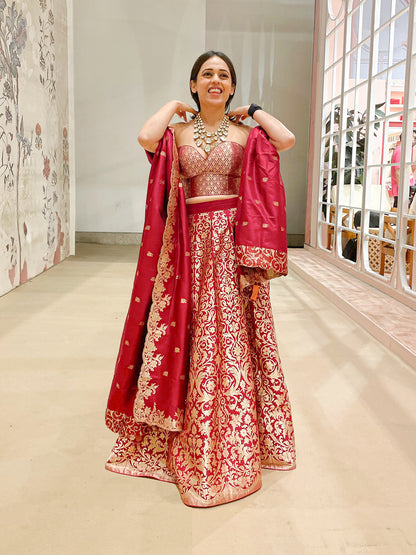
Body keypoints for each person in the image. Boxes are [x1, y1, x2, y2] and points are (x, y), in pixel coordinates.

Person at [105, 51, 296, 507]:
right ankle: (187, 433)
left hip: (234, 247)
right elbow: (144, 136)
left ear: (231, 87)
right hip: (188, 250)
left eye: (223, 76)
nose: (215, 80)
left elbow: (285, 140)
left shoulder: (248, 135)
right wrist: (173, 105)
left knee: (229, 339)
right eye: (206, 74)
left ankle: (234, 440)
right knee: (192, 338)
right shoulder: (177, 134)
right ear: (195, 85)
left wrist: (252, 110)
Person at [390, 131, 416, 208]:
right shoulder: (401, 151)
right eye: (413, 138)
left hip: (405, 191)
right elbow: (397, 173)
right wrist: (404, 192)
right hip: (402, 192)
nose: (414, 141)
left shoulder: (401, 150)